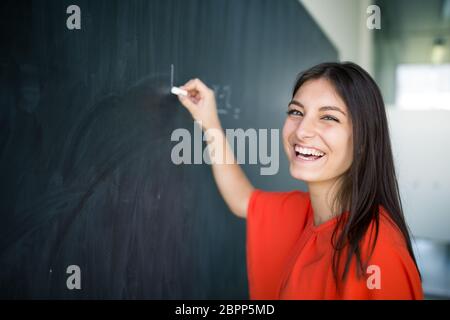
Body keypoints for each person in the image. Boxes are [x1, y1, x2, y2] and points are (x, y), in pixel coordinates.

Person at [177, 62, 423, 300]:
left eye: (329, 117)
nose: (302, 130)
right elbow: (241, 199)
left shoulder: (379, 253)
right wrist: (209, 121)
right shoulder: (303, 212)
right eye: (296, 112)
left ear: (363, 141)